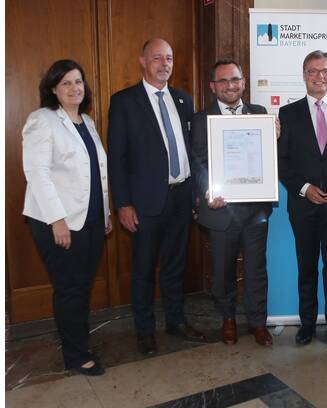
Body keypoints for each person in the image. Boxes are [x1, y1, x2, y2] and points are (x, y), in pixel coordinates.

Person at [107, 38, 204, 356]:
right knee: (144, 270)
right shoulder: (124, 102)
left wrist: (195, 195)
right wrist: (123, 204)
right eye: (157, 58)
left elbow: (192, 151)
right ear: (142, 61)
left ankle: (176, 321)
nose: (165, 64)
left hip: (181, 198)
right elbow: (117, 158)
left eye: (169, 58)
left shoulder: (183, 100)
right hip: (145, 203)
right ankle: (145, 331)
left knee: (176, 265)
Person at [22, 59, 112, 376]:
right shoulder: (42, 120)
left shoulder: (87, 122)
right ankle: (75, 355)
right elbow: (37, 173)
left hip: (90, 219)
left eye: (78, 81)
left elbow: (96, 173)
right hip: (57, 221)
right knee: (70, 288)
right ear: (53, 89)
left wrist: (105, 212)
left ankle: (78, 342)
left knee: (82, 286)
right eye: (66, 83)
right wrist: (57, 220)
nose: (75, 88)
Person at [278, 50, 327, 347]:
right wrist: (304, 188)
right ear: (304, 75)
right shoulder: (288, 113)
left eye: (325, 70)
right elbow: (282, 161)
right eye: (312, 71)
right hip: (303, 205)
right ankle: (307, 324)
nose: (319, 76)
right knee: (307, 267)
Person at [191, 59, 274, 346]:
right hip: (220, 210)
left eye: (235, 79)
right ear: (213, 86)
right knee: (222, 271)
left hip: (255, 210)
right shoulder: (201, 120)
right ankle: (228, 318)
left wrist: (274, 137)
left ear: (243, 82)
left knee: (256, 270)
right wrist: (208, 191)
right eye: (223, 81)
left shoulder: (260, 114)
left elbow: (268, 158)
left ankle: (257, 322)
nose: (230, 85)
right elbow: (198, 162)